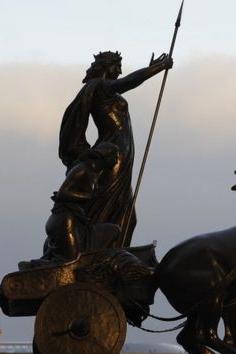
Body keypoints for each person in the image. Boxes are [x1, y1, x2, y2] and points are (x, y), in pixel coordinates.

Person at [59, 50, 172, 248]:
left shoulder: (104, 89)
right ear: (106, 66)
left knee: (127, 216)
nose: (119, 70)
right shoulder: (99, 86)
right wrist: (156, 68)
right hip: (112, 156)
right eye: (116, 65)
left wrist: (151, 68)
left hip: (123, 156)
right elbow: (128, 82)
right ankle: (96, 254)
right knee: (106, 208)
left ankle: (116, 254)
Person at [18, 142, 121, 270]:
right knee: (69, 262)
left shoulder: (95, 173)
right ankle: (31, 266)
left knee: (113, 230)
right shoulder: (83, 169)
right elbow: (63, 192)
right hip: (64, 221)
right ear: (105, 155)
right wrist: (90, 196)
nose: (116, 161)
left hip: (77, 222)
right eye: (115, 157)